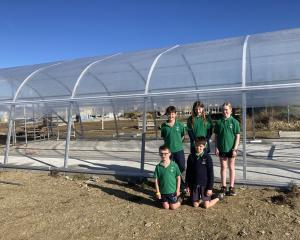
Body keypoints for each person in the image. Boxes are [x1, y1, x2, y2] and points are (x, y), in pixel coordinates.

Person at [186, 137, 223, 208]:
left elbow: (211, 174)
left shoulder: (207, 157)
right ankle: (200, 198)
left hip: (205, 186)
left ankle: (217, 197)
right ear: (194, 145)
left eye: (200, 146)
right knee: (195, 205)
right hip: (195, 185)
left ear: (204, 146)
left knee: (206, 206)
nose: (198, 148)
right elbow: (188, 172)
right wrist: (187, 185)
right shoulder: (191, 157)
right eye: (197, 145)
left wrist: (210, 188)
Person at [214, 101, 240, 196]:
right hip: (222, 149)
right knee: (223, 167)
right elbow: (216, 136)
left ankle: (232, 187)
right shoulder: (219, 122)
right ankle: (223, 187)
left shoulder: (234, 122)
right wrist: (216, 147)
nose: (225, 111)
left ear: (230, 110)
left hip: (231, 149)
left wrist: (235, 149)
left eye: (226, 109)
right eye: (223, 110)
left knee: (231, 167)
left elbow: (237, 136)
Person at [160, 106, 186, 191]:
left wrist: (177, 143)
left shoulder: (180, 125)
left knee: (181, 166)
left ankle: (178, 182)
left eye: (172, 114)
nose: (171, 116)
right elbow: (164, 137)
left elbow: (182, 135)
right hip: (169, 152)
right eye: (169, 114)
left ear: (175, 114)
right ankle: (179, 185)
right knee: (170, 167)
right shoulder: (164, 126)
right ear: (167, 115)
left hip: (179, 150)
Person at [154, 145, 182, 210]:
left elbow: (178, 178)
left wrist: (178, 190)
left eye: (165, 154)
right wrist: (158, 192)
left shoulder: (174, 165)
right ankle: (165, 201)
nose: (163, 155)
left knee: (173, 207)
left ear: (169, 153)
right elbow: (156, 181)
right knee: (166, 207)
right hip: (163, 192)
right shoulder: (158, 167)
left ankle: (180, 199)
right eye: (161, 154)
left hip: (172, 191)